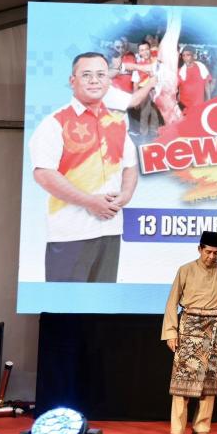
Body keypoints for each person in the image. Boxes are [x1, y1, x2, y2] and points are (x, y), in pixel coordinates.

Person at [30, 52, 138, 282]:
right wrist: (90, 202)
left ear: (108, 80)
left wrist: (126, 194)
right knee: (64, 303)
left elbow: (130, 165)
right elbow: (43, 173)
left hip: (110, 230)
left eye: (100, 75)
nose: (94, 80)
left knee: (102, 303)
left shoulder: (117, 121)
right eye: (86, 75)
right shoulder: (55, 122)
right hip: (70, 233)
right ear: (73, 81)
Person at [161, 231, 217, 434]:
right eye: (208, 252)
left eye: (216, 253)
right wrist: (171, 332)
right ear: (199, 249)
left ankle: (201, 428)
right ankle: (177, 430)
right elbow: (172, 302)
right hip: (189, 328)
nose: (212, 256)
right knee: (182, 380)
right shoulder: (185, 270)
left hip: (215, 329)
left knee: (209, 381)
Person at [178, 45, 211, 112]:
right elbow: (175, 90)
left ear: (194, 56)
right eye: (183, 55)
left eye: (188, 55)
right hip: (184, 109)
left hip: (199, 108)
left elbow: (207, 86)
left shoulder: (202, 68)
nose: (185, 58)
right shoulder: (180, 72)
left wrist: (209, 102)